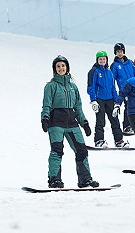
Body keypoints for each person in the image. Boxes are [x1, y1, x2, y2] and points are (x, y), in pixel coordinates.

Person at [41, 55, 99, 188]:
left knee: (82, 150)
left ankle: (85, 179)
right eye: (58, 66)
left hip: (72, 122)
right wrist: (44, 118)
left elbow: (78, 107)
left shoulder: (74, 87)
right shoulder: (51, 86)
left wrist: (84, 123)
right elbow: (46, 104)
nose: (61, 68)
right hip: (56, 122)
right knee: (57, 150)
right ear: (55, 69)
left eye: (63, 66)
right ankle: (54, 179)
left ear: (67, 67)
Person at [87, 50, 128, 148]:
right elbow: (91, 87)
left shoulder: (109, 72)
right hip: (99, 99)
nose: (102, 61)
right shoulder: (94, 71)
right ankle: (99, 140)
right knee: (100, 121)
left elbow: (113, 88)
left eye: (104, 59)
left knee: (115, 120)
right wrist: (93, 100)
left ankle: (119, 140)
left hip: (110, 99)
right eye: (100, 59)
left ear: (106, 60)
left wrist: (117, 102)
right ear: (97, 60)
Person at [110, 43, 135, 134]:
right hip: (124, 90)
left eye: (121, 51)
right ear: (115, 53)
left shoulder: (130, 62)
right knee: (128, 107)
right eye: (118, 52)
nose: (120, 53)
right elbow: (112, 79)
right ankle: (127, 126)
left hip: (134, 88)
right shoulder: (114, 65)